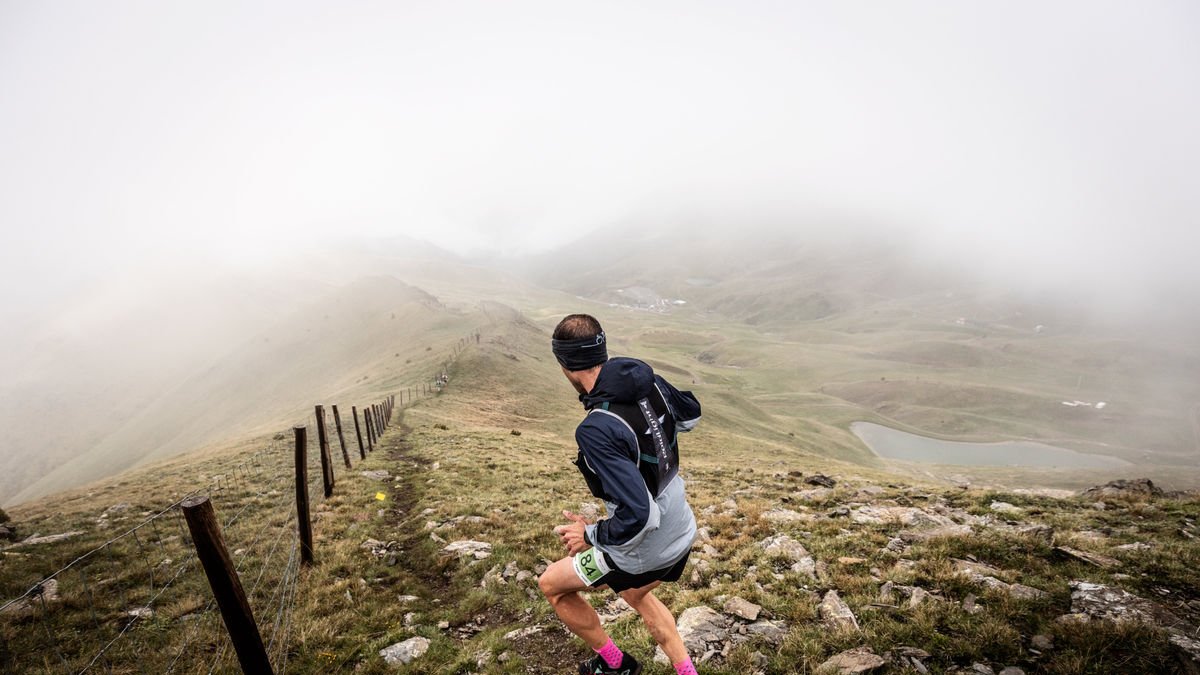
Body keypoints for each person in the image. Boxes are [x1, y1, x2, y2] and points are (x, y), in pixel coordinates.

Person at [538, 314, 703, 675]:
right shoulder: (649, 382)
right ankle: (687, 672)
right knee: (633, 593)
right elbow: (691, 415)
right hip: (682, 526)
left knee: (552, 585)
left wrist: (589, 534)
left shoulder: (596, 428)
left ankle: (615, 665)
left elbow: (639, 515)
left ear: (564, 363)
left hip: (647, 545)